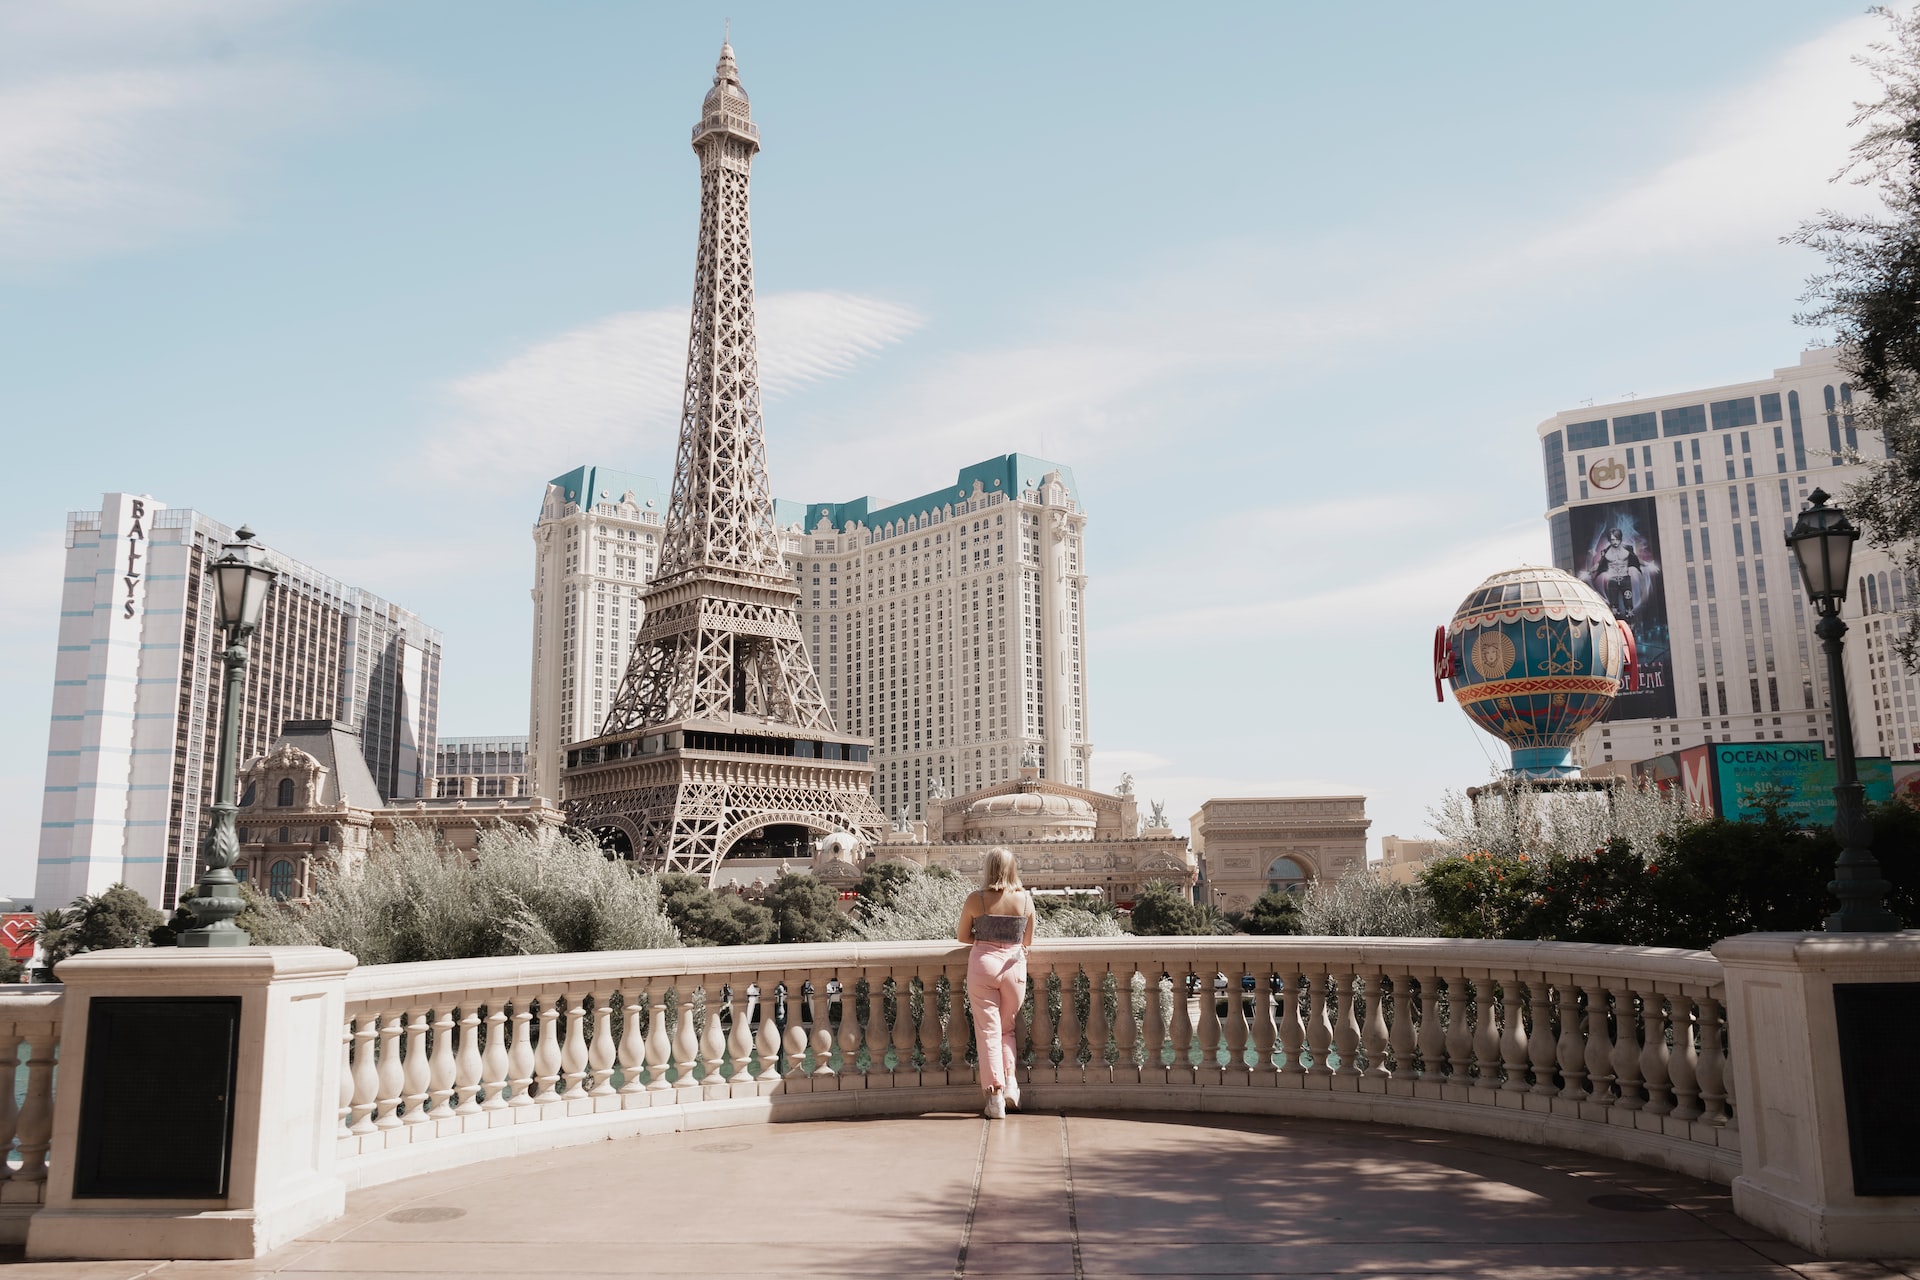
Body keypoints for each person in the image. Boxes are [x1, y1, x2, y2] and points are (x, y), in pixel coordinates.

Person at [957, 847, 1035, 1119]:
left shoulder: (975, 899)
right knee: (1007, 1030)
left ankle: (995, 1097)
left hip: (984, 965)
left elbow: (962, 936)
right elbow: (1027, 941)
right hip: (1014, 967)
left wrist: (984, 937)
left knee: (988, 1032)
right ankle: (1012, 1082)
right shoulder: (1025, 900)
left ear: (988, 869)